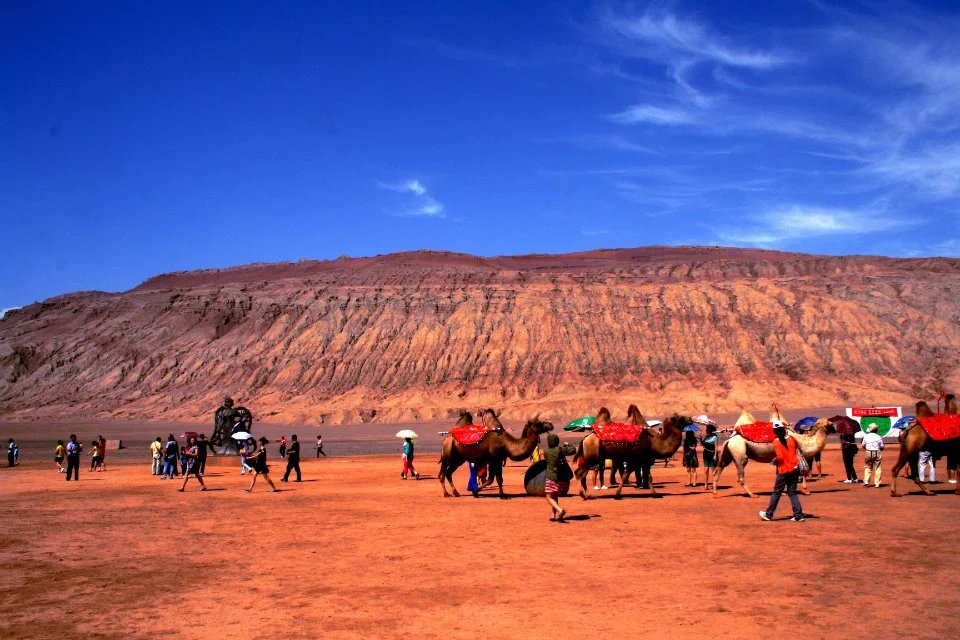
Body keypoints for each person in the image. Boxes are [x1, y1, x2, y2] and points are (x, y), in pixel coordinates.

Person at [759, 421, 805, 522]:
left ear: (775, 432)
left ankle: (769, 514)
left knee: (776, 492)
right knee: (792, 492)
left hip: (784, 471)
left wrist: (774, 461)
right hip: (795, 468)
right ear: (784, 429)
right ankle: (799, 515)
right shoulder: (792, 439)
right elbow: (797, 448)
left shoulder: (776, 442)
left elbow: (780, 457)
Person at [543, 433, 576, 522]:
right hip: (561, 478)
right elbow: (573, 450)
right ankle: (553, 515)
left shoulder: (545, 451)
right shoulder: (560, 450)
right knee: (555, 496)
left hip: (551, 477)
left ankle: (560, 510)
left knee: (548, 497)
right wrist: (568, 445)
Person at [861, 423, 884, 488]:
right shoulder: (878, 437)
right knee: (878, 468)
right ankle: (877, 483)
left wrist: (867, 449)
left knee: (867, 466)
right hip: (877, 452)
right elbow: (882, 447)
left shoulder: (866, 436)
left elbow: (863, 445)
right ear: (876, 430)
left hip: (868, 452)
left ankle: (866, 481)